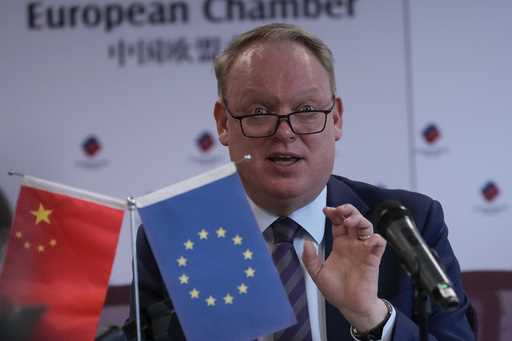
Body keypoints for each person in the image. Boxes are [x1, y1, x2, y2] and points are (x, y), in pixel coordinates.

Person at [131, 23, 474, 340]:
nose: (285, 132)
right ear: (223, 123)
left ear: (336, 119)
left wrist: (372, 318)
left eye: (307, 109)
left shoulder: (407, 223)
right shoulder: (178, 235)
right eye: (259, 112)